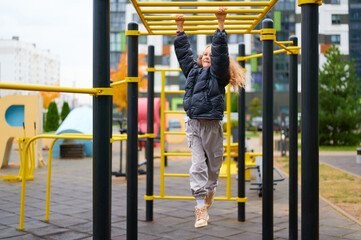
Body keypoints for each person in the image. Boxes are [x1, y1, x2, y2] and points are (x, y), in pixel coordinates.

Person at [174, 7, 246, 228]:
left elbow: (222, 53)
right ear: (201, 58)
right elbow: (184, 55)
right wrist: (180, 30)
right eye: (204, 53)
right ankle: (200, 210)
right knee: (198, 166)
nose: (207, 55)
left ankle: (210, 191)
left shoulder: (219, 76)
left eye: (210, 54)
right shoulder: (193, 72)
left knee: (213, 168)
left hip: (212, 126)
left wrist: (221, 25)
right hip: (194, 124)